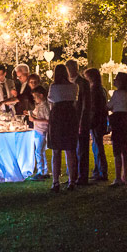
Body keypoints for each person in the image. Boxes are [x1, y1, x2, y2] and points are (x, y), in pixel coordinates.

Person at [48, 64, 79, 192]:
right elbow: (75, 100)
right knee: (70, 150)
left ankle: (55, 182)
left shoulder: (53, 87)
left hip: (57, 116)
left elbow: (51, 99)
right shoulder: (73, 86)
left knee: (56, 151)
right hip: (70, 116)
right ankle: (72, 181)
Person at [66, 59, 92, 186]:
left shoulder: (83, 83)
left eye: (71, 68)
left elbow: (85, 104)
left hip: (80, 118)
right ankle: (73, 175)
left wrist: (82, 120)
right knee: (71, 148)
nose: (70, 71)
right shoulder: (67, 83)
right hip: (70, 119)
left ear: (76, 68)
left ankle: (82, 176)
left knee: (82, 149)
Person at [108, 72, 127, 186]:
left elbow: (109, 106)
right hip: (126, 122)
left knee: (117, 151)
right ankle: (125, 177)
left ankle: (118, 177)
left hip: (118, 122)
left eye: (116, 79)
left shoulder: (117, 93)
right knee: (124, 150)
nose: (114, 80)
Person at [84, 67, 109, 181]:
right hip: (100, 120)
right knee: (97, 145)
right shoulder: (101, 89)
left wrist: (90, 120)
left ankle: (101, 171)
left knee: (97, 145)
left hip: (96, 121)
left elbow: (94, 108)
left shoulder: (95, 90)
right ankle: (98, 170)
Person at [27, 86, 51, 180]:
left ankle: (40, 171)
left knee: (38, 152)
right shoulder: (39, 106)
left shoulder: (45, 106)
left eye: (35, 96)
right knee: (41, 151)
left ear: (41, 95)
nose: (34, 98)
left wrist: (35, 119)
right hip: (38, 130)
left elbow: (48, 120)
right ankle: (45, 171)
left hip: (41, 131)